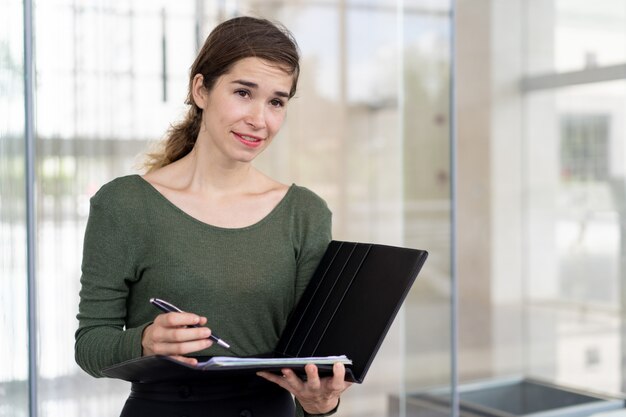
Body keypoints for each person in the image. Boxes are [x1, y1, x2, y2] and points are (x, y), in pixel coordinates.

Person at [75, 15, 352, 417]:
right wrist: (144, 342)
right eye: (243, 92)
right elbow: (90, 346)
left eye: (276, 101)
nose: (260, 119)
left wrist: (321, 403)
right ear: (200, 89)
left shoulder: (304, 213)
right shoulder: (124, 205)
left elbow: (313, 360)